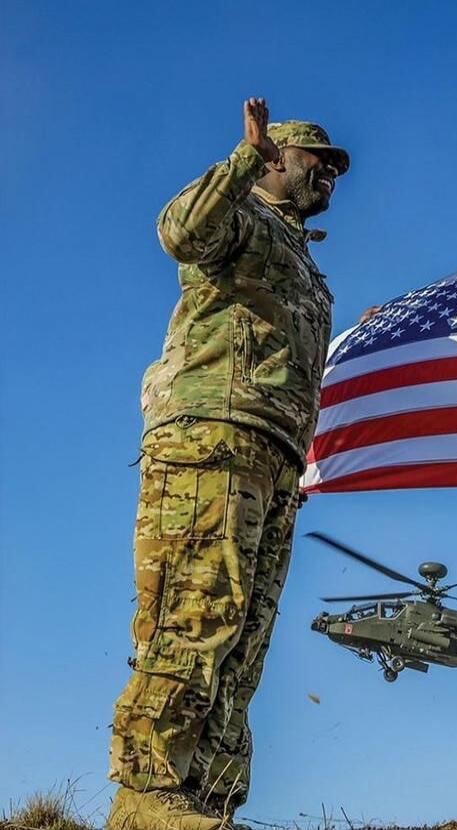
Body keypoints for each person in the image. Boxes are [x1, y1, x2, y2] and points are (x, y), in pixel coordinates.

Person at [106, 98, 350, 830]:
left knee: (243, 637)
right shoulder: (241, 216)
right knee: (194, 611)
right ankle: (146, 795)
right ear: (277, 159)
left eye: (335, 170)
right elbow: (179, 230)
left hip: (274, 458)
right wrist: (242, 159)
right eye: (317, 162)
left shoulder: (307, 265)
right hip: (210, 434)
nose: (329, 177)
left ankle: (206, 800)